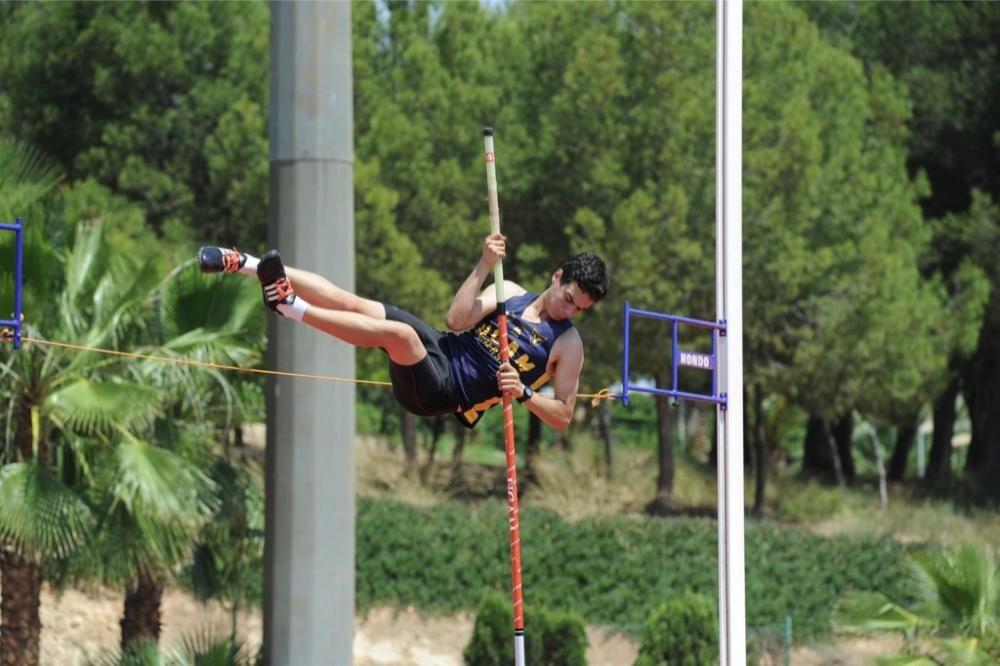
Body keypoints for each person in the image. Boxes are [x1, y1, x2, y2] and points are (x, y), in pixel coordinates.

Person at [198, 233, 608, 430]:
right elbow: (456, 319)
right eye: (569, 297)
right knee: (354, 302)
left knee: (400, 335)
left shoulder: (568, 344)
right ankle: (245, 262)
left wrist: (524, 393)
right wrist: (484, 264)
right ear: (557, 276)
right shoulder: (512, 292)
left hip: (443, 392)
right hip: (443, 347)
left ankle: (290, 306)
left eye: (579, 309)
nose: (569, 310)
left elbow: (563, 415)